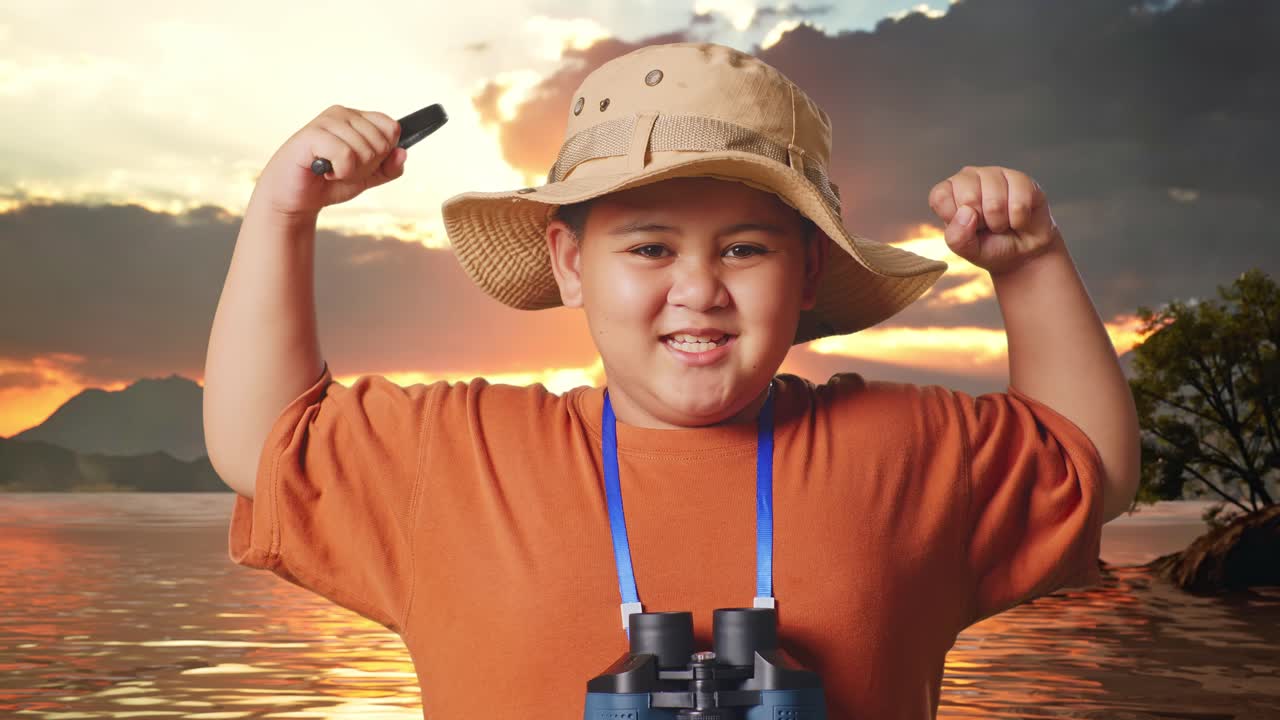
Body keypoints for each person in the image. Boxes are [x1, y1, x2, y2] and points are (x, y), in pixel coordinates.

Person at [204, 41, 1140, 720]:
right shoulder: (458, 457)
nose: (699, 289)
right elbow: (259, 445)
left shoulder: (904, 448)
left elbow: (1090, 467)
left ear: (808, 273)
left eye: (745, 248)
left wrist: (1032, 264)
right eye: (648, 246)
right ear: (569, 263)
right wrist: (282, 208)